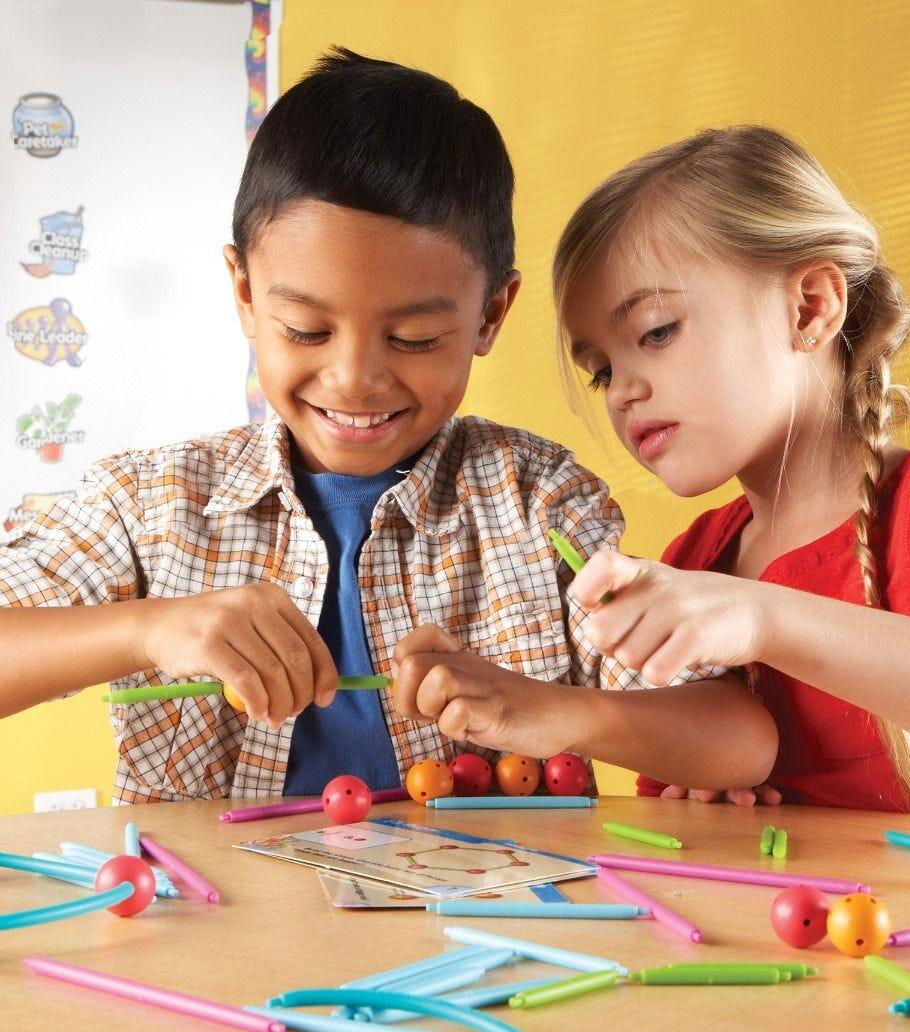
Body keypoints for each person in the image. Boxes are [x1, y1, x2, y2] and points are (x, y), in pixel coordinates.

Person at [0, 54, 776, 804]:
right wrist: (145, 630)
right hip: (211, 899)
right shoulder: (152, 505)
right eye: (306, 330)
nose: (354, 379)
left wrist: (563, 712)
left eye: (413, 340)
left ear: (490, 314)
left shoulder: (537, 504)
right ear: (244, 294)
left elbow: (740, 739)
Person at [553, 125, 910, 822]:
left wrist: (764, 618)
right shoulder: (696, 561)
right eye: (602, 370)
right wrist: (702, 799)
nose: (623, 392)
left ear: (810, 306)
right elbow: (669, 820)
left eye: (657, 331)